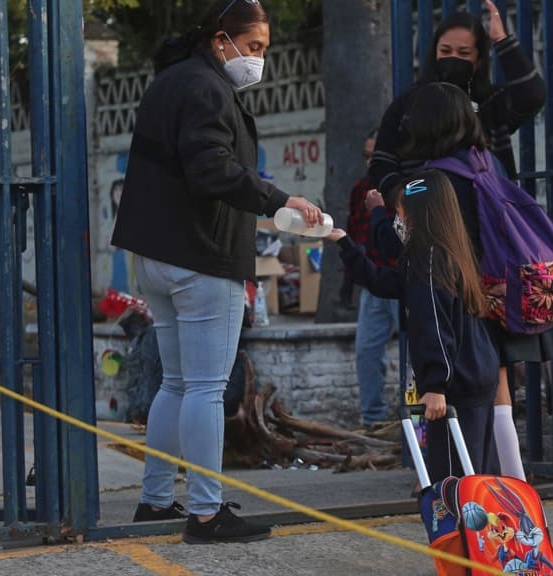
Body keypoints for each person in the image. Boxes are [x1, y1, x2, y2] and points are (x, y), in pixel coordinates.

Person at [111, 0, 323, 545]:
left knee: (176, 384)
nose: (258, 61)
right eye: (253, 48)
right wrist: (280, 198)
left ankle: (156, 500)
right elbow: (212, 169)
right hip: (201, 256)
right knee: (205, 388)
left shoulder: (170, 82)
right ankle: (205, 515)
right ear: (221, 39)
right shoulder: (208, 90)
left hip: (156, 257)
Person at [370, 82, 551, 480]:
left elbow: (407, 245)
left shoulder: (433, 180)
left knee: (458, 424)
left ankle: (467, 497)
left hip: (462, 306)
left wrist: (381, 214)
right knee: (496, 401)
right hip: (498, 291)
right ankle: (514, 495)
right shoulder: (485, 162)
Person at [329, 170, 499, 481]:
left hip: (454, 384)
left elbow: (433, 322)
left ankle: (463, 529)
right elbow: (386, 283)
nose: (397, 218)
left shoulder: (430, 259)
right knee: (476, 471)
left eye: (401, 211)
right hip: (471, 375)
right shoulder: (443, 252)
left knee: (455, 480)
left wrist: (435, 384)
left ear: (420, 213)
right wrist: (345, 244)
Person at [369, 0, 545, 196]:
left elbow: (532, 96)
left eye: (463, 53)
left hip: (485, 214)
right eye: (445, 51)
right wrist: (412, 196)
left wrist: (501, 40)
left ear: (478, 61)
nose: (452, 57)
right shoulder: (407, 105)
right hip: (424, 218)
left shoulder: (490, 102)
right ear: (435, 52)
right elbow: (381, 164)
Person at [344, 129, 399, 428]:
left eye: (373, 156)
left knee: (417, 353)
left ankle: (419, 422)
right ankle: (373, 419)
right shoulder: (360, 188)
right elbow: (355, 233)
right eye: (365, 156)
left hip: (401, 281)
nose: (369, 162)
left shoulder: (400, 187)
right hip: (373, 282)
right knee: (366, 351)